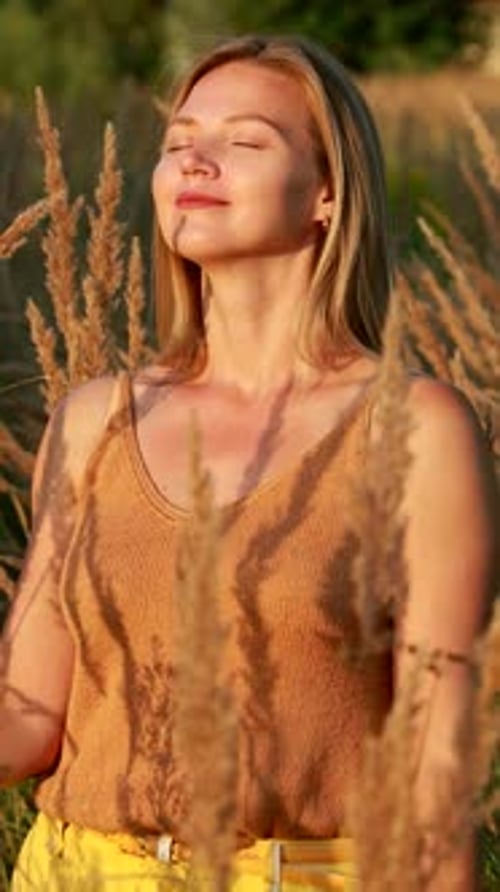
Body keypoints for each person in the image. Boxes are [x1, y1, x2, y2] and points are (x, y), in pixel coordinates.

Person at [0, 34, 496, 892]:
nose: (195, 156)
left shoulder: (415, 432)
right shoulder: (93, 423)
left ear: (329, 195)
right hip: (72, 872)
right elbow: (27, 723)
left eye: (244, 140)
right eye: (179, 138)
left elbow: (434, 790)